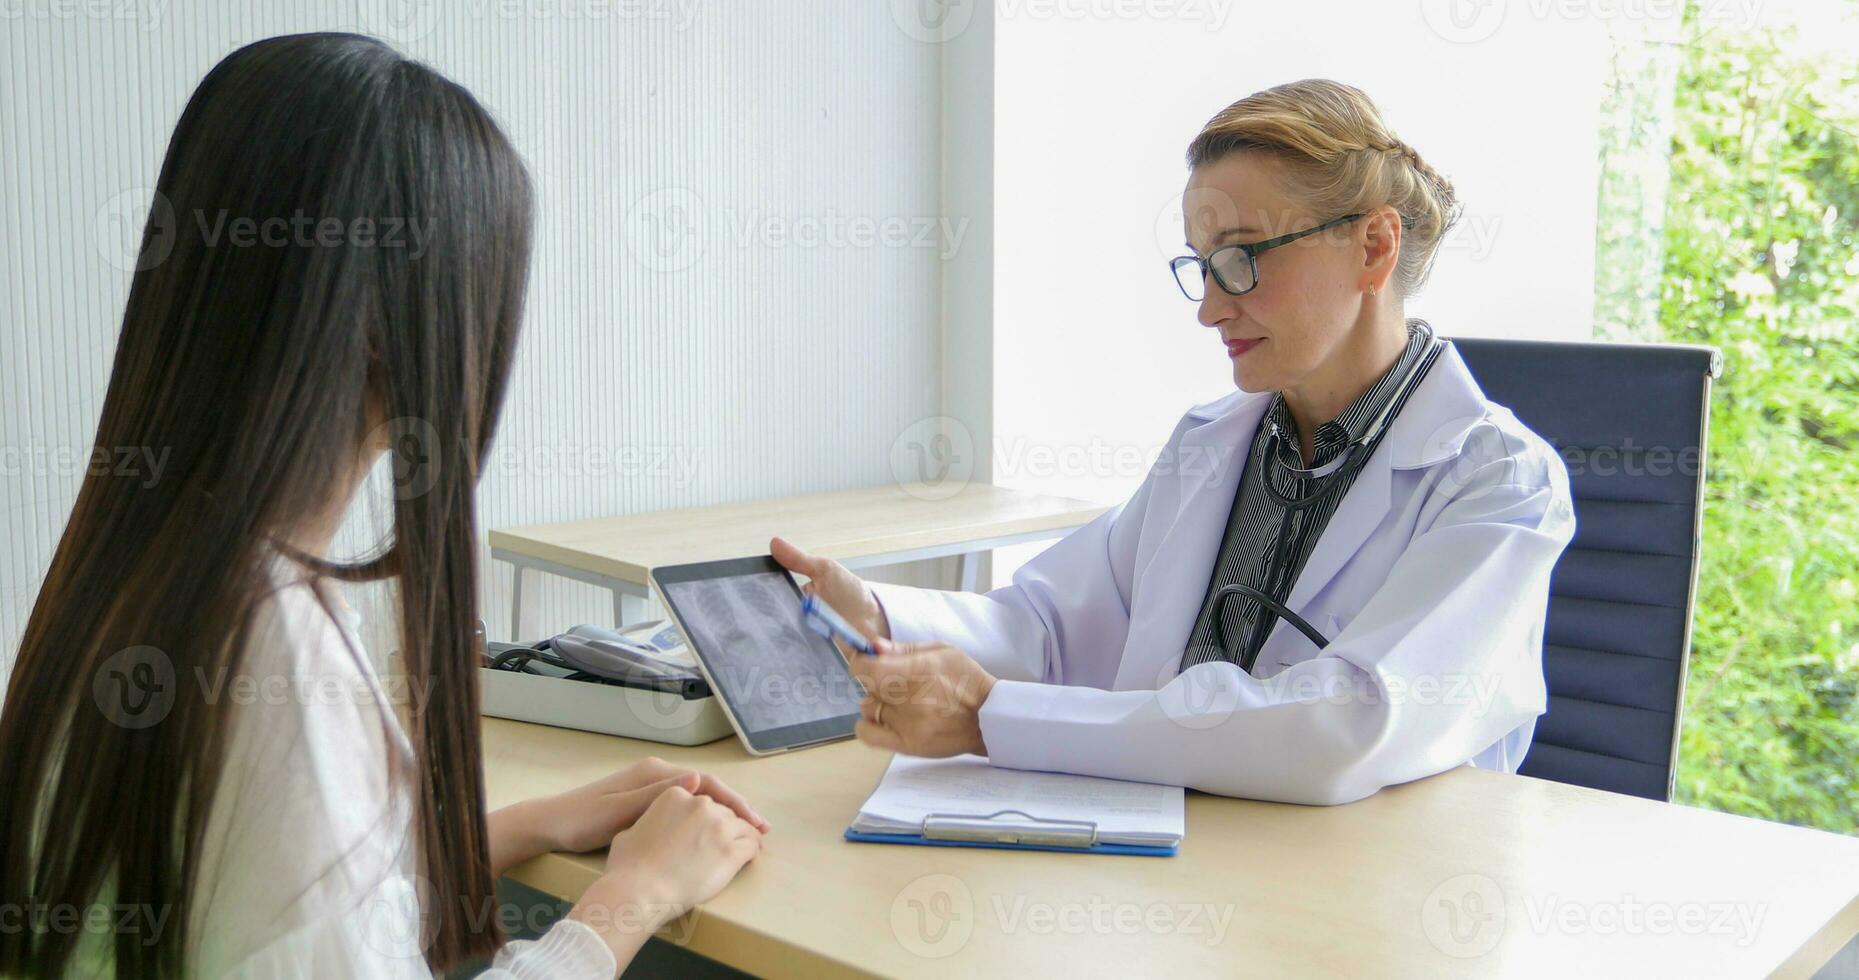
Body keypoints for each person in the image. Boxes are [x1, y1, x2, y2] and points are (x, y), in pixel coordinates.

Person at [0, 34, 765, 979]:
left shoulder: (144, 571)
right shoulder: (272, 648)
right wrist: (628, 902)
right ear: (408, 330)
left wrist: (539, 822)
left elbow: (267, 904)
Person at [773, 78, 1576, 807]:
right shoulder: (1212, 442)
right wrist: (873, 611)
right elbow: (1055, 629)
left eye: (1242, 260)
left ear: (1372, 246)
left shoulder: (1499, 484)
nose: (1210, 310)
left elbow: (1354, 723)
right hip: (1175, 854)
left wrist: (990, 718)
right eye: (1202, 267)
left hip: (1362, 898)